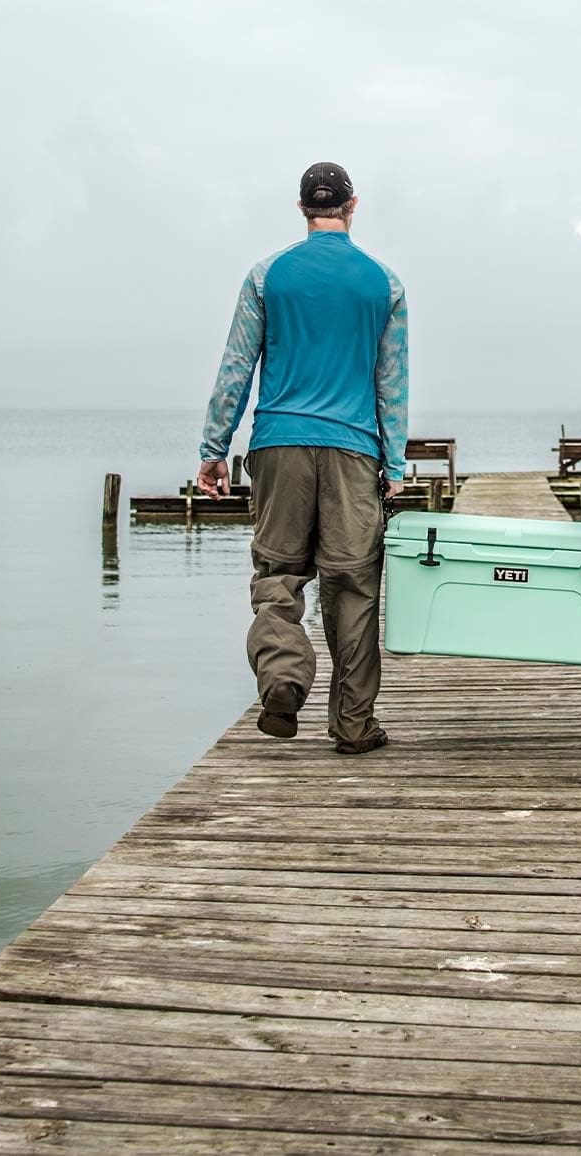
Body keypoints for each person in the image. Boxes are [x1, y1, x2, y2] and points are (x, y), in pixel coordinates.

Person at [197, 163, 409, 754]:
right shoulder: (384, 283)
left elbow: (236, 368)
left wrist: (215, 449)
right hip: (353, 449)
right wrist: (393, 465)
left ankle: (285, 677)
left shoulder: (267, 275)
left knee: (278, 577)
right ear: (352, 205)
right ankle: (353, 725)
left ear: (301, 208)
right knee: (354, 587)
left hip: (277, 446)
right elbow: (391, 383)